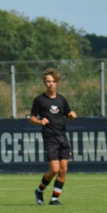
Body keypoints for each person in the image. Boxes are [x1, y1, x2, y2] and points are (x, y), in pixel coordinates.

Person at [30, 68, 76, 205]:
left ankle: (54, 198)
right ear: (45, 83)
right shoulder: (39, 100)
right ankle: (39, 190)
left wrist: (72, 116)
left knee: (63, 170)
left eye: (53, 81)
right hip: (50, 138)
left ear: (57, 83)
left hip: (62, 137)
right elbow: (31, 118)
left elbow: (69, 116)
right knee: (54, 169)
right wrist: (39, 121)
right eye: (48, 81)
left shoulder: (62, 100)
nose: (51, 84)